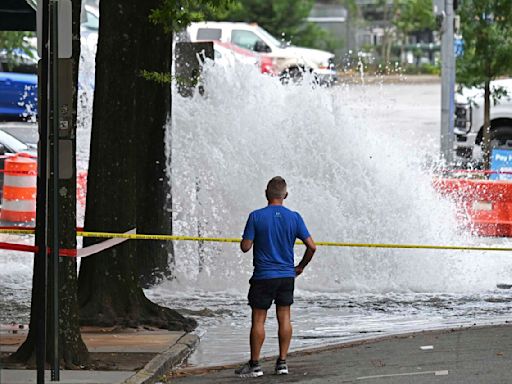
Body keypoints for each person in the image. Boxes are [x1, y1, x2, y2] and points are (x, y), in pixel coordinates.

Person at [235, 176, 317, 378]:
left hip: (263, 276)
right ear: (285, 195)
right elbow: (312, 246)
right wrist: (300, 267)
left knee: (258, 320)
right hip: (286, 275)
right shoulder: (294, 217)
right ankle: (282, 363)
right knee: (285, 317)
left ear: (266, 193)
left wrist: (250, 238)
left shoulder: (256, 216)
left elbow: (245, 247)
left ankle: (255, 365)